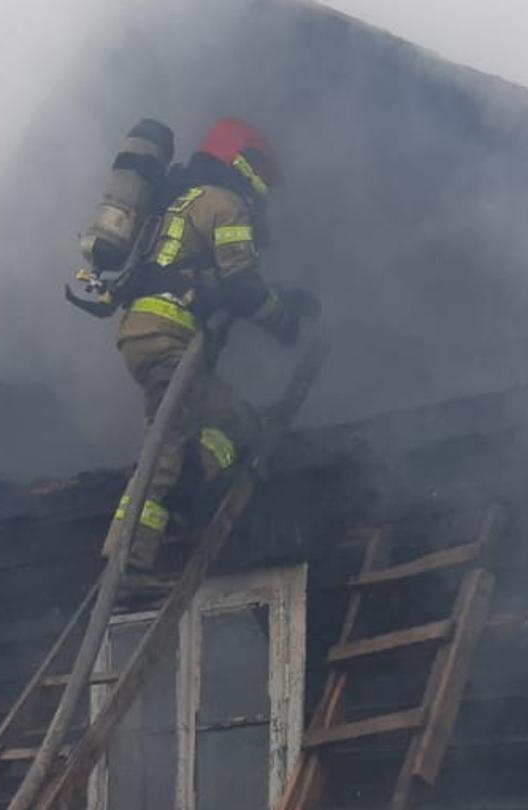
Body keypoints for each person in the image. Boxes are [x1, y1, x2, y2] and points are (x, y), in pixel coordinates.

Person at [113, 117, 318, 605]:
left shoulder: (183, 202)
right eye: (262, 174)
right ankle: (127, 561)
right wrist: (282, 319)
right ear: (242, 164)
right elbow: (243, 284)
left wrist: (281, 297)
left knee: (233, 422)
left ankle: (195, 490)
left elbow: (216, 283)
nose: (264, 189)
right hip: (168, 337)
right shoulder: (225, 204)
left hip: (148, 335)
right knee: (165, 447)